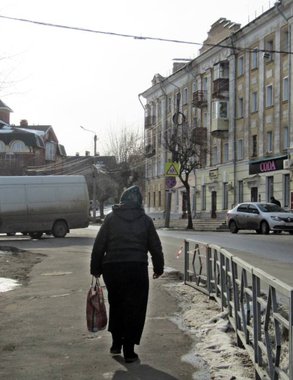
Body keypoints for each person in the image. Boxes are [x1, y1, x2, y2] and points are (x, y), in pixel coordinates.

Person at [90, 185, 164, 363]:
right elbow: (155, 246)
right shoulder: (145, 220)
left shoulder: (111, 218)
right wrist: (158, 267)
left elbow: (99, 245)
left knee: (117, 305)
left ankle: (116, 343)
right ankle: (129, 350)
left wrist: (95, 269)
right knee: (134, 309)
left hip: (113, 269)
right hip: (136, 269)